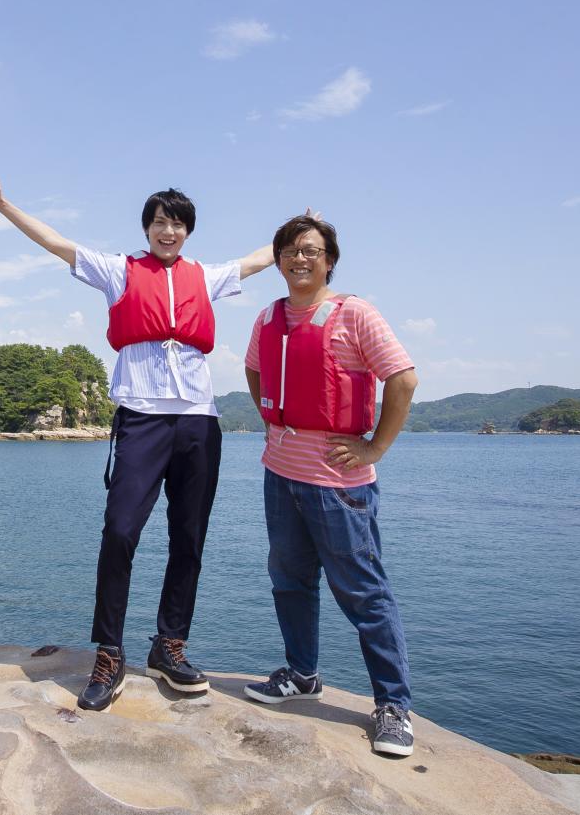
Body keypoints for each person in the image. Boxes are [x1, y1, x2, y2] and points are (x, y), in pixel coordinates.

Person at [0, 171, 274, 711]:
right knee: (120, 529)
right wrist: (3, 206)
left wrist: (301, 231)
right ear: (147, 227)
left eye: (178, 224)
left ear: (188, 232)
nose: (169, 231)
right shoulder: (119, 271)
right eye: (161, 222)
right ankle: (109, 653)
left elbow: (259, 258)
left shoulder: (207, 276)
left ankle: (169, 647)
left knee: (190, 537)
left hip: (199, 419)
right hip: (142, 416)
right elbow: (56, 242)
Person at [240, 213, 420, 758]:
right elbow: (254, 372)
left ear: (329, 260)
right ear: (278, 261)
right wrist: (273, 421)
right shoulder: (268, 317)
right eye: (291, 251)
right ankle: (302, 674)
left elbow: (404, 379)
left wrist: (374, 447)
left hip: (338, 485)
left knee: (364, 594)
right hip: (281, 473)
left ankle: (393, 706)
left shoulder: (355, 314)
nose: (300, 258)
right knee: (290, 581)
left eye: (311, 250)